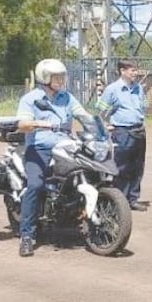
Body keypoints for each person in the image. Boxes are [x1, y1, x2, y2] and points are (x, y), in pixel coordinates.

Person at [14, 59, 94, 257]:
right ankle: (27, 236)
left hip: (66, 146)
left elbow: (82, 115)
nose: (60, 80)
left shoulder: (67, 97)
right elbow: (22, 124)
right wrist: (37, 124)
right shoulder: (30, 99)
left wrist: (98, 125)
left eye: (62, 77)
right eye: (56, 77)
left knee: (91, 171)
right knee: (35, 185)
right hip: (38, 148)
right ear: (45, 78)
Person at [97, 59, 147, 211]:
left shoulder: (138, 88)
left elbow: (143, 106)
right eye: (132, 70)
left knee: (138, 167)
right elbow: (101, 110)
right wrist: (105, 126)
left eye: (135, 70)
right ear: (122, 71)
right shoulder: (112, 89)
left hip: (139, 131)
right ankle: (120, 200)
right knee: (122, 167)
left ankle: (133, 198)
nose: (135, 73)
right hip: (122, 132)